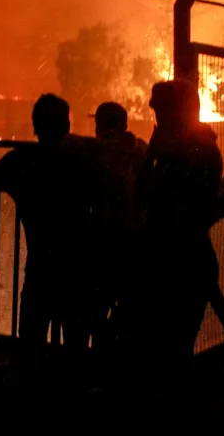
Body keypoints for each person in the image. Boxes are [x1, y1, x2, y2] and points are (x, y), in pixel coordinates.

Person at [119, 79, 222, 429]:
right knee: (172, 349)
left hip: (176, 260)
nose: (157, 116)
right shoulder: (196, 147)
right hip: (182, 260)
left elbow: (149, 194)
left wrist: (157, 153)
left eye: (162, 109)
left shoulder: (189, 151)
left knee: (167, 350)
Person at [0, 94, 104, 377]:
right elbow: (101, 197)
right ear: (67, 125)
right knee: (75, 342)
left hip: (41, 264)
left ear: (34, 126)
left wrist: (18, 189)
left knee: (32, 337)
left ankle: (32, 400)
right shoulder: (82, 161)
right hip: (77, 264)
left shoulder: (22, 160)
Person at [87, 101, 147, 352]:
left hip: (101, 242)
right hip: (134, 242)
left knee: (96, 311)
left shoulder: (91, 150)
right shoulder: (141, 150)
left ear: (99, 124)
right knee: (131, 307)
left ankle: (100, 364)